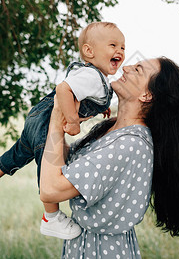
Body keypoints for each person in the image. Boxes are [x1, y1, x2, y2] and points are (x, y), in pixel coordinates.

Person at [40, 57, 179, 258]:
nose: (126, 67)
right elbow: (64, 165)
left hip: (100, 251)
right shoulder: (112, 130)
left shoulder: (130, 144)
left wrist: (56, 119)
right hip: (84, 245)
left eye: (137, 69)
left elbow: (51, 190)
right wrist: (63, 116)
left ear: (147, 95)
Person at [0, 21, 125, 240]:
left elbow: (80, 94)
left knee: (15, 156)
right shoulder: (93, 77)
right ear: (89, 51)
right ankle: (51, 217)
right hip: (46, 122)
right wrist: (72, 121)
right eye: (113, 45)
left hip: (36, 118)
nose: (120, 51)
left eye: (123, 47)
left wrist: (101, 108)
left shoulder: (95, 78)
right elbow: (63, 89)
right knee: (49, 163)